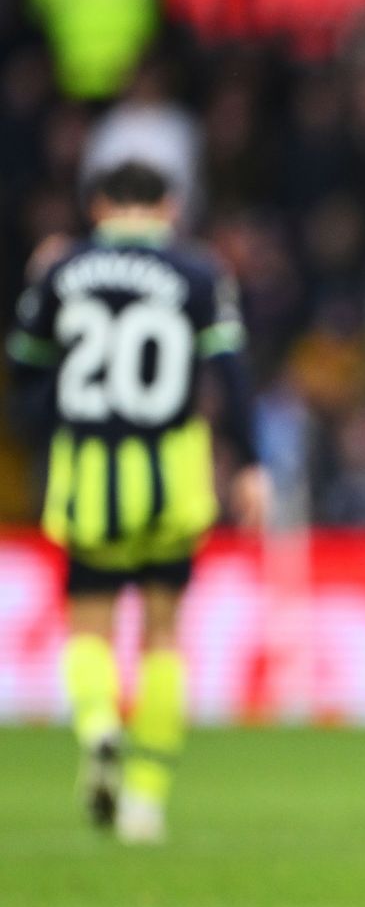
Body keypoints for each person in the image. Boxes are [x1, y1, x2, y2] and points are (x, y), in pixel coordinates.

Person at [7, 161, 268, 844]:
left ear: (97, 204)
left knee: (89, 624)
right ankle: (146, 798)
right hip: (171, 471)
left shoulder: (60, 271)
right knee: (161, 630)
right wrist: (249, 461)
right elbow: (233, 375)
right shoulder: (199, 272)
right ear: (170, 205)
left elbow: (23, 376)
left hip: (89, 468)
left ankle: (97, 728)